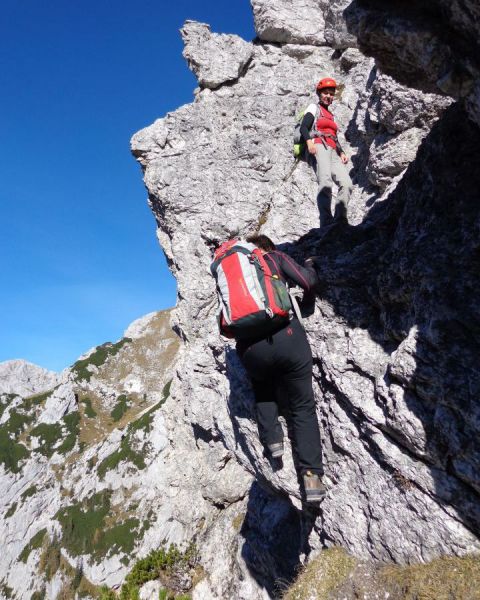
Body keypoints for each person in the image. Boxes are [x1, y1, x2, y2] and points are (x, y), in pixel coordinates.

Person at [235, 234, 326, 503]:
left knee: (262, 389)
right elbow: (307, 281)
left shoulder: (237, 277)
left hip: (250, 350)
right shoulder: (273, 257)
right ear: (268, 247)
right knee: (302, 407)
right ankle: (310, 477)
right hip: (287, 338)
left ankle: (273, 444)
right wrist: (311, 266)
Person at [300, 77, 353, 228]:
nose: (329, 96)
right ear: (319, 93)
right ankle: (326, 221)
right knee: (325, 182)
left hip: (333, 150)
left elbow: (334, 137)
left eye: (331, 94)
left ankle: (340, 218)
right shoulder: (313, 108)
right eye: (326, 93)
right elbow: (304, 127)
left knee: (347, 183)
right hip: (318, 146)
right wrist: (309, 142)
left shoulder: (330, 115)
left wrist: (341, 152)